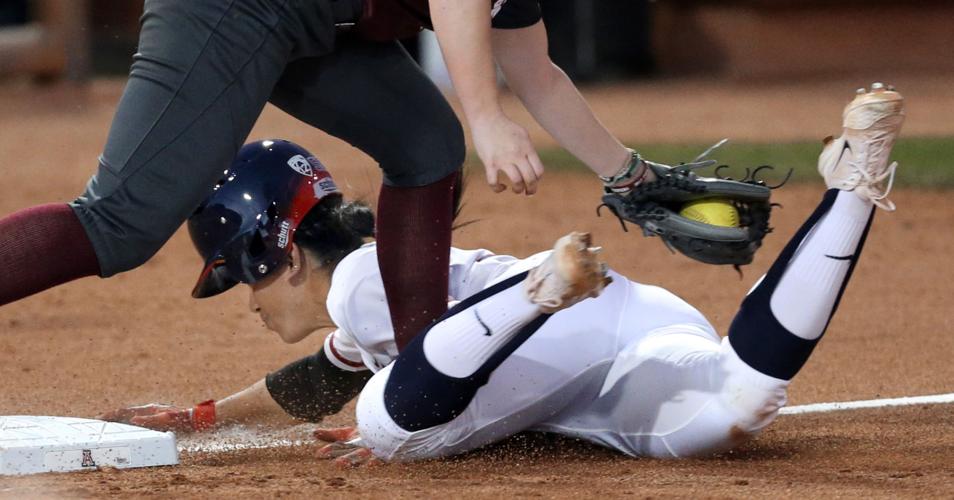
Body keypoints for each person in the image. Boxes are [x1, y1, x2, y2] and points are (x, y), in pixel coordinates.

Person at [101, 83, 905, 466]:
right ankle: (854, 188)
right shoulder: (374, 288)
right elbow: (314, 380)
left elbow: (354, 379)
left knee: (390, 429)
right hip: (627, 336)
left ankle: (538, 291)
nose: (244, 301)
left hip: (550, 322)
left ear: (268, 253)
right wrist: (201, 417)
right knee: (739, 400)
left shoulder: (354, 284)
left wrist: (390, 415)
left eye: (238, 278)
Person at [0, 0, 659, 351]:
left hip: (314, 20)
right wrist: (486, 116)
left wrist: (633, 179)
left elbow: (538, 74)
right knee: (123, 223)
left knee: (425, 146)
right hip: (230, 10)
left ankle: (423, 373)